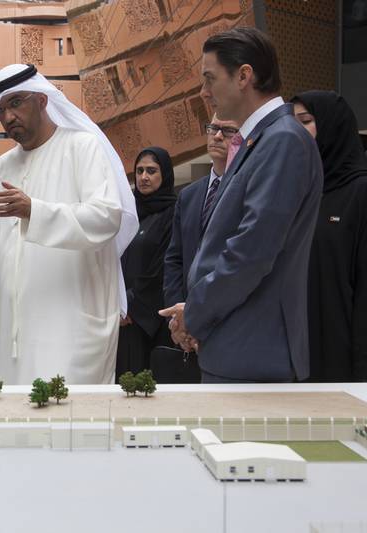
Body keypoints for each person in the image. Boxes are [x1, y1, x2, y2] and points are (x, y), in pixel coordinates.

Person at [0, 64, 138, 385]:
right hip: (18, 330)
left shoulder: (82, 148)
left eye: (16, 103)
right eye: (0, 109)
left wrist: (35, 210)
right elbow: (3, 256)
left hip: (72, 325)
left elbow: (106, 217)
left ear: (43, 100)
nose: (8, 117)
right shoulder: (3, 166)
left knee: (69, 420)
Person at [159, 28, 323, 383]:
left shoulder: (282, 141)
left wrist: (196, 312)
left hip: (254, 353)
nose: (203, 92)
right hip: (236, 346)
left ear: (244, 76)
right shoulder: (260, 140)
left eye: (209, 79)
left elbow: (251, 253)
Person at [290, 91, 367, 381]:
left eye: (305, 121)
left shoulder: (358, 192)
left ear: (332, 125)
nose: (294, 131)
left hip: (341, 360)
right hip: (293, 358)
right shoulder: (296, 192)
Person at [163, 115, 239, 308]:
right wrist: (178, 310)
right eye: (213, 128)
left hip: (228, 308)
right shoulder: (188, 195)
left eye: (228, 131)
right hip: (185, 310)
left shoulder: (246, 189)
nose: (218, 136)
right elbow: (174, 258)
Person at [116, 147, 176, 379]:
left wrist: (130, 305)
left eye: (151, 171)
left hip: (147, 318)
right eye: (139, 171)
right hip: (120, 315)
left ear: (165, 174)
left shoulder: (172, 213)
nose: (144, 177)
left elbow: (164, 266)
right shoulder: (129, 212)